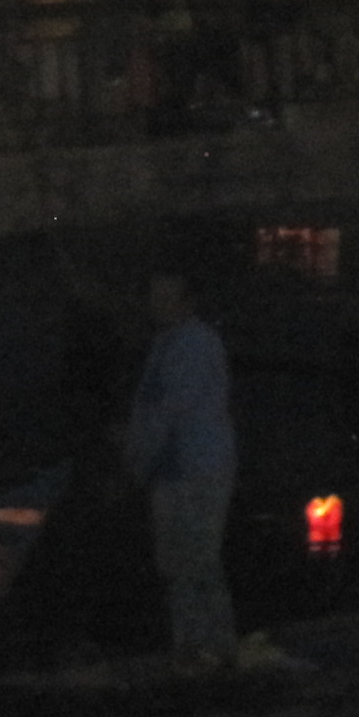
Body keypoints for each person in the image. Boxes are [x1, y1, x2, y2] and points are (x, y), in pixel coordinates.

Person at [126, 269, 238, 656]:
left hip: (197, 469)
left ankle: (217, 648)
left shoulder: (194, 344)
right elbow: (153, 411)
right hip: (172, 471)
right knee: (177, 564)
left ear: (186, 301)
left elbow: (170, 410)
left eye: (167, 297)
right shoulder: (167, 343)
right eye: (155, 296)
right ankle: (192, 646)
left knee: (199, 562)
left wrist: (137, 461)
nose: (158, 304)